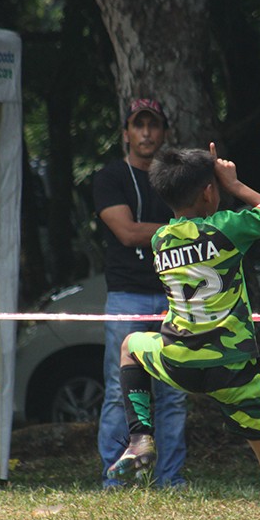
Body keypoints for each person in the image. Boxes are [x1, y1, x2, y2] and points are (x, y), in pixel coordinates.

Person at [109, 144, 260, 520]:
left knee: (130, 344)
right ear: (209, 191)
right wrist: (235, 184)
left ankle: (141, 438)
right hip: (233, 369)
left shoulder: (161, 239)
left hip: (179, 361)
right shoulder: (228, 227)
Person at [93, 98, 187, 488]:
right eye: (138, 125)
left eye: (153, 125)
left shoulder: (177, 178)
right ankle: (115, 479)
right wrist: (178, 230)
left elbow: (199, 220)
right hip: (127, 297)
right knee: (121, 390)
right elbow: (128, 232)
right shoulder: (110, 177)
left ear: (164, 132)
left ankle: (171, 478)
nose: (146, 133)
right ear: (126, 133)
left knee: (174, 391)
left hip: (174, 295)